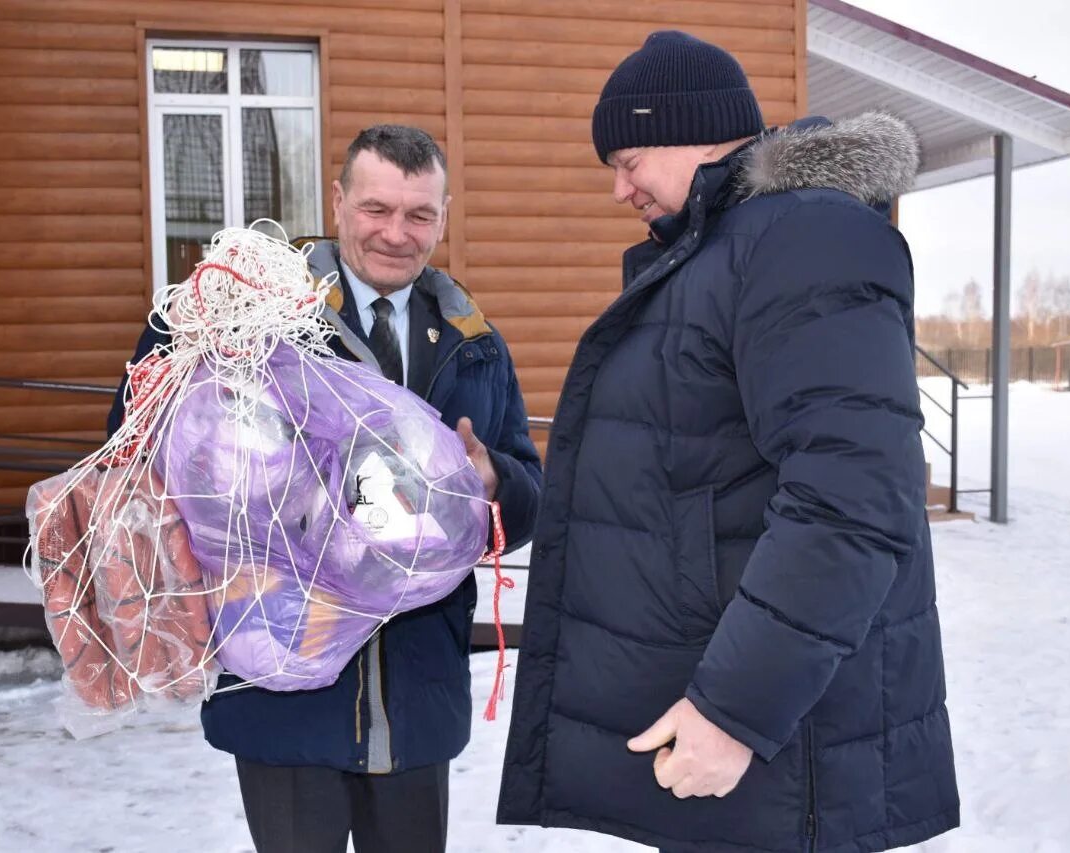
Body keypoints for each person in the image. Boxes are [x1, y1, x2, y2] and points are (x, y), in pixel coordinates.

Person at [497, 31, 959, 853]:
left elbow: (850, 499)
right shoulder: (728, 247)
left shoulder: (802, 239)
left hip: (785, 752)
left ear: (688, 130)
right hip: (749, 757)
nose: (618, 189)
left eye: (628, 158)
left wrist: (734, 710)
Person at [107, 124, 542, 853]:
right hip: (283, 689)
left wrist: (495, 479)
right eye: (376, 209)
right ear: (337, 202)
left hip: (413, 696)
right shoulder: (252, 311)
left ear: (443, 216)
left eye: (418, 215)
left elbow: (527, 491)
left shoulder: (476, 342)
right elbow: (137, 428)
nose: (396, 234)